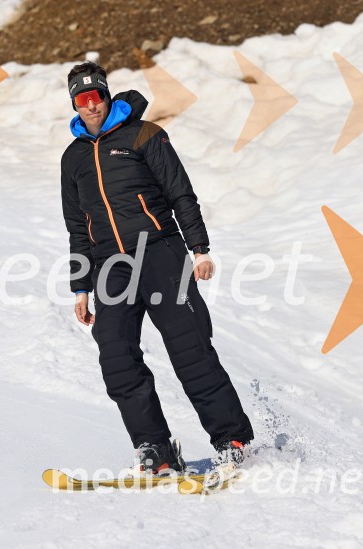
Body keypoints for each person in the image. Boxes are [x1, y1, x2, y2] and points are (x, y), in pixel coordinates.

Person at [60, 61, 254, 475]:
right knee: (115, 355)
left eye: (97, 97)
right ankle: (154, 449)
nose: (91, 106)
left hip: (161, 252)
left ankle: (231, 438)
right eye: (82, 100)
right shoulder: (72, 158)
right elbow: (77, 226)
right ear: (74, 104)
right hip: (109, 265)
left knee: (190, 349)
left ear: (107, 96)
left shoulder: (145, 134)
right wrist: (80, 287)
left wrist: (199, 249)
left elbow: (180, 192)